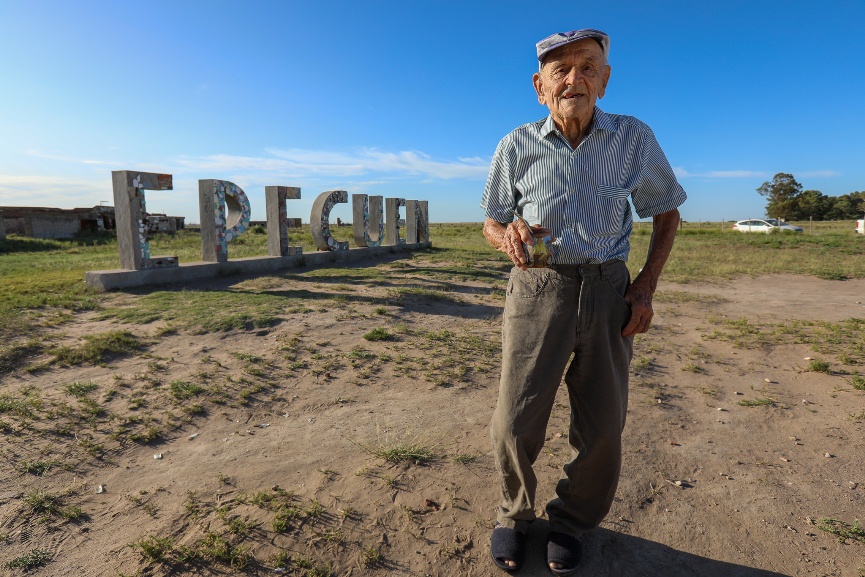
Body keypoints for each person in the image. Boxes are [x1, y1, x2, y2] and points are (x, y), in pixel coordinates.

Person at [481, 28, 685, 575]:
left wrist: (644, 286)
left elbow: (665, 211)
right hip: (536, 289)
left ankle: (570, 521)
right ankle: (514, 516)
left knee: (602, 424)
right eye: (561, 70)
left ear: (606, 78)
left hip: (607, 288)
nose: (575, 79)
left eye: (588, 66)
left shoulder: (633, 138)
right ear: (539, 85)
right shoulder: (516, 144)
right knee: (514, 419)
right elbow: (493, 218)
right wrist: (508, 237)